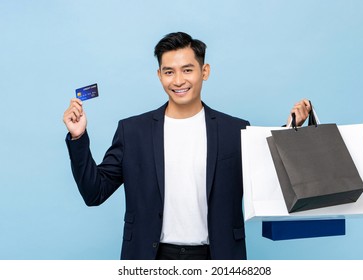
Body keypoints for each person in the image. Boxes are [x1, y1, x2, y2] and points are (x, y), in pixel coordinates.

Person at [63, 32, 310, 260]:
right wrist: (78, 138)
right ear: (159, 75)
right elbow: (94, 193)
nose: (178, 81)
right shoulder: (133, 131)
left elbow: (268, 178)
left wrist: (290, 131)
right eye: (169, 72)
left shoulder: (235, 130)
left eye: (187, 70)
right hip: (150, 258)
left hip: (218, 256)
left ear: (205, 71)